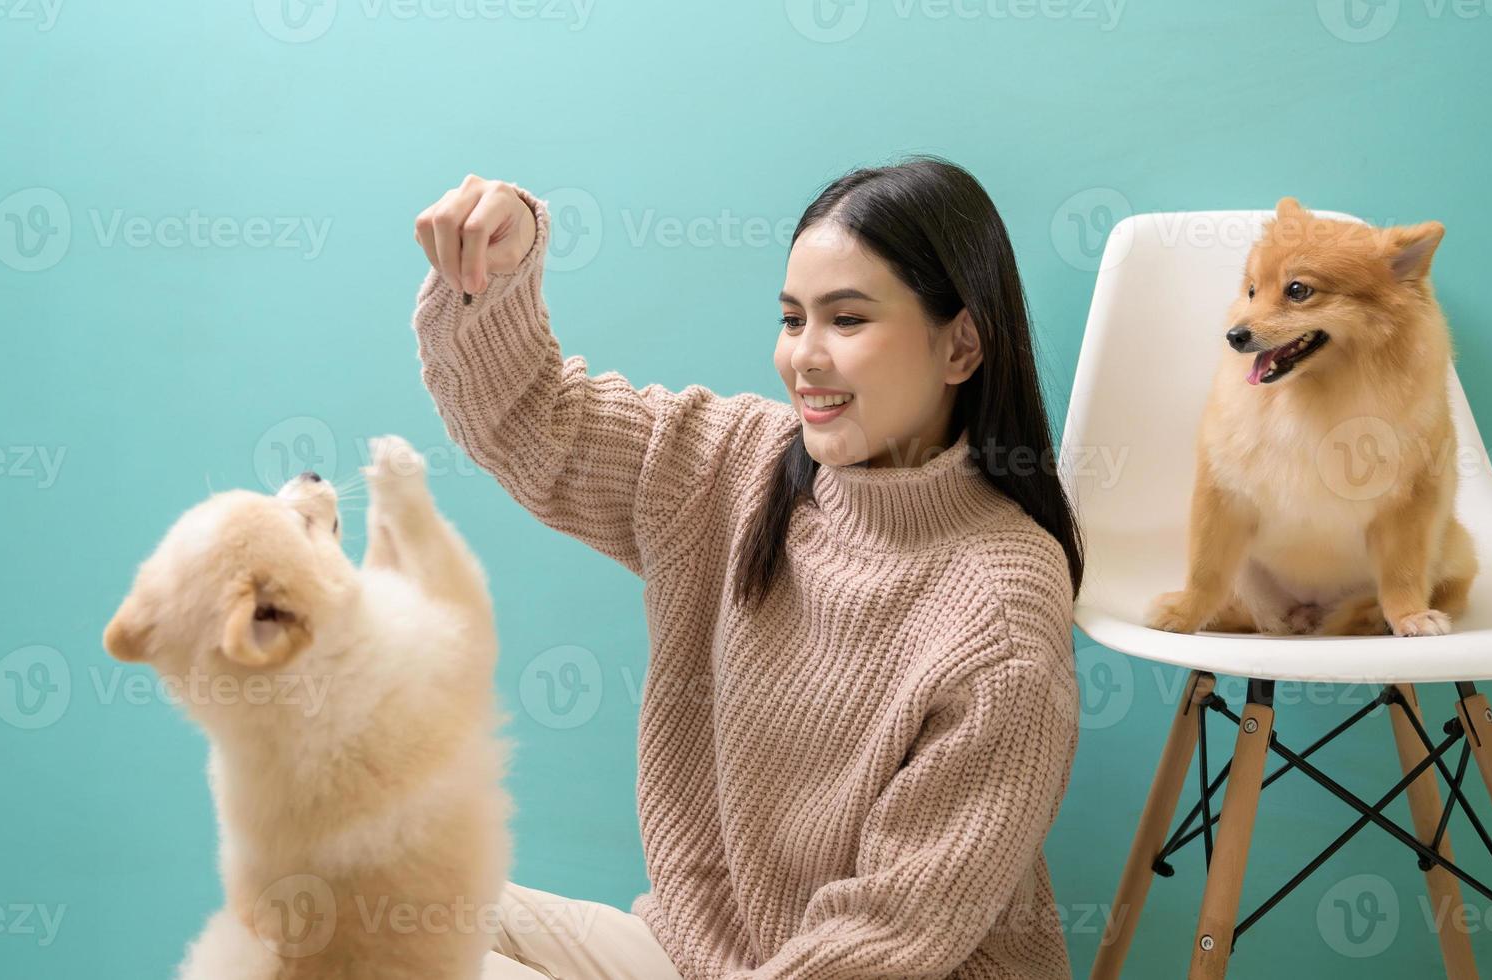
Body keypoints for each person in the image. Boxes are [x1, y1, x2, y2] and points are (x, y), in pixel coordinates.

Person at [411, 154, 1086, 979]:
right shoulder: (735, 461)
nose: (803, 357)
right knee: (358, 912)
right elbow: (530, 421)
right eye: (793, 319)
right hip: (704, 956)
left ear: (961, 345)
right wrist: (499, 269)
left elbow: (886, 939)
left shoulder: (1002, 601)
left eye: (847, 320)